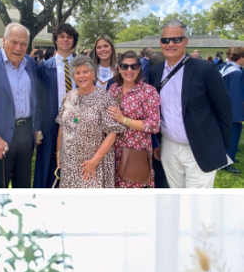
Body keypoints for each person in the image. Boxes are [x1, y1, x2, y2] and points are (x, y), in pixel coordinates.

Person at [148, 20, 232, 188]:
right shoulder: (155, 72)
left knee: (198, 203)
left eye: (176, 39)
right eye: (166, 40)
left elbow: (224, 110)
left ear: (185, 41)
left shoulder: (205, 70)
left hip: (201, 147)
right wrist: (156, 142)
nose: (170, 44)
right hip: (169, 147)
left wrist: (219, 145)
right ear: (160, 43)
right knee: (177, 197)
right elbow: (154, 111)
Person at [0, 23, 41, 188]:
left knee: (24, 186)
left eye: (23, 44)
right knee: (0, 188)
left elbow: (35, 100)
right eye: (14, 42)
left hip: (26, 135)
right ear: (4, 40)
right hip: (0, 137)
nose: (18, 48)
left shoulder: (30, 63)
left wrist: (36, 128)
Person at [55, 56, 124, 188]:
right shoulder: (68, 97)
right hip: (69, 163)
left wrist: (94, 161)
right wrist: (58, 154)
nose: (82, 76)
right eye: (78, 73)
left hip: (93, 165)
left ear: (93, 73)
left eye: (85, 71)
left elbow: (112, 133)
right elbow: (62, 127)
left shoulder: (105, 99)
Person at [106, 50, 162, 188]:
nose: (129, 70)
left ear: (139, 69)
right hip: (112, 151)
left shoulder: (148, 91)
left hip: (135, 152)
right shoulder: (113, 89)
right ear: (119, 68)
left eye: (134, 66)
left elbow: (154, 125)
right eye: (125, 66)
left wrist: (123, 119)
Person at [35, 23, 79, 187]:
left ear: (74, 41)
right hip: (50, 122)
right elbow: (38, 100)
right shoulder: (45, 67)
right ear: (56, 40)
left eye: (69, 37)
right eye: (62, 36)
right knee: (48, 162)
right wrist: (37, 127)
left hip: (76, 121)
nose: (65, 40)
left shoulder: (82, 66)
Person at [219, 46, 244, 174]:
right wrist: (238, 116)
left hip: (223, 109)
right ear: (241, 58)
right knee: (232, 136)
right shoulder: (235, 72)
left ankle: (228, 158)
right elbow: (235, 95)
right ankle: (226, 162)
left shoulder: (226, 68)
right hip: (231, 111)